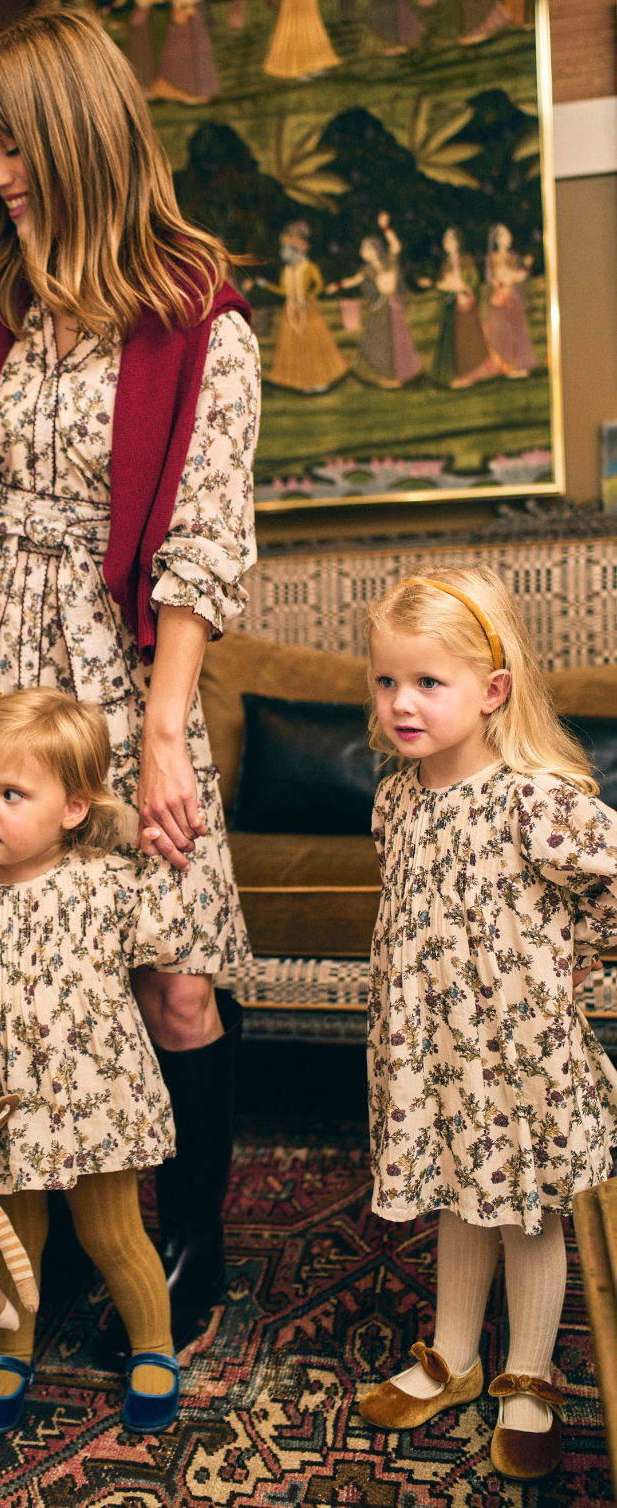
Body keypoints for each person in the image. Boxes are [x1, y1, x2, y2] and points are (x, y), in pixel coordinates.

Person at [0, 6, 260, 1351]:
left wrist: (164, 731)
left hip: (115, 679)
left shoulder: (196, 314)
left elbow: (202, 543)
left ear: (80, 127)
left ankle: (188, 1242)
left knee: (171, 976)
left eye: (10, 144)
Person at [359, 568, 617, 1484]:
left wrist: (580, 963)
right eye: (387, 680)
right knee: (458, 1190)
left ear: (492, 689)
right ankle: (453, 1355)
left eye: (429, 681)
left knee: (526, 1212)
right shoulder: (397, 797)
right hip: (432, 1048)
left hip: (517, 1052)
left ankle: (531, 1376)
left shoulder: (532, 800)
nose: (401, 703)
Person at [0, 688, 201, 1433]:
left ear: (72, 808)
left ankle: (153, 1346)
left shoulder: (104, 886)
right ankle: (10, 1348)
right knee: (11, 1234)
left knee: (112, 1233)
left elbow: (169, 937)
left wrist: (152, 850)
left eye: (10, 793)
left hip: (96, 1099)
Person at [330, 212, 421, 387]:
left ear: (374, 250)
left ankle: (400, 376)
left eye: (366, 249)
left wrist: (385, 228)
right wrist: (337, 285)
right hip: (379, 309)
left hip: (393, 307)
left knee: (397, 340)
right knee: (379, 342)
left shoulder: (389, 262)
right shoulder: (366, 270)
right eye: (362, 250)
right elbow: (354, 280)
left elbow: (396, 245)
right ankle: (384, 376)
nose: (362, 253)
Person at [260, 220, 347, 393]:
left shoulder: (309, 267)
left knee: (314, 345)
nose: (285, 253)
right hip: (291, 311)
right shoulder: (286, 271)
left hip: (308, 310)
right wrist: (267, 285)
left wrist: (309, 297)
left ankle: (320, 380)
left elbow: (319, 285)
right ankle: (302, 383)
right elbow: (284, 290)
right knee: (294, 347)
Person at [420, 226, 502, 387]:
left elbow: (472, 281)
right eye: (446, 240)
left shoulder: (466, 260)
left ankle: (470, 374)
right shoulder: (446, 264)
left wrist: (461, 287)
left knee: (468, 341)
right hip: (452, 307)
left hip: (467, 307)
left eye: (452, 240)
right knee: (454, 342)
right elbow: (446, 286)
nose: (448, 243)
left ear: (458, 242)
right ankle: (454, 375)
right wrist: (434, 284)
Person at [150, 0, 220, 104]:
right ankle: (182, 90)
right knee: (181, 55)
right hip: (180, 19)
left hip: (194, 19)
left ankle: (199, 91)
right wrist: (183, 4)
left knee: (198, 54)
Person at [484, 222, 537, 377]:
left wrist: (526, 266)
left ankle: (517, 365)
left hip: (512, 297)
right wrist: (504, 282)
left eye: (509, 236)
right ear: (498, 239)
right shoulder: (492, 258)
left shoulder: (513, 257)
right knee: (501, 331)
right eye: (505, 236)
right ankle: (505, 365)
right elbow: (495, 278)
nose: (509, 239)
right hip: (500, 297)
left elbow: (518, 276)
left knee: (516, 330)